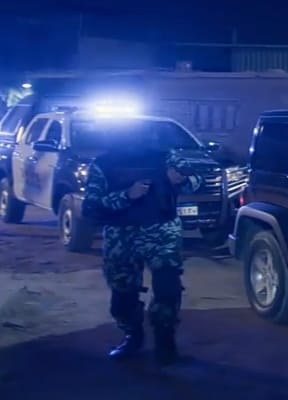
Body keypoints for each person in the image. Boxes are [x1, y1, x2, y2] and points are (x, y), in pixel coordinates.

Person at [82, 129, 204, 366]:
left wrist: (181, 179)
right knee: (123, 295)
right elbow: (91, 206)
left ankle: (165, 344)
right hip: (121, 236)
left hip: (162, 233)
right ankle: (132, 336)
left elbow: (195, 181)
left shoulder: (167, 157)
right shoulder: (103, 164)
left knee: (168, 290)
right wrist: (127, 195)